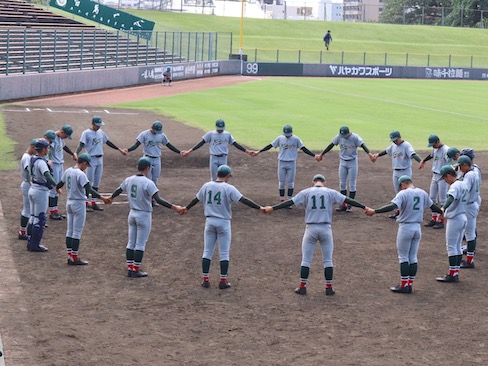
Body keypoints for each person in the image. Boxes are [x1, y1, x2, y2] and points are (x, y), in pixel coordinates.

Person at [262, 173, 366, 296]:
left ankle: (302, 287)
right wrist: (364, 207)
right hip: (326, 229)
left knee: (306, 260)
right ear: (324, 182)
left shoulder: (306, 192)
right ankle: (329, 288)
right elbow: (347, 200)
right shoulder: (330, 192)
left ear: (313, 182)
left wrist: (272, 208)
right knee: (328, 260)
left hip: (311, 229)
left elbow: (289, 202)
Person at [183, 165, 262, 289]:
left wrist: (186, 208)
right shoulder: (229, 188)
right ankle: (223, 281)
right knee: (224, 253)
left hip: (209, 221)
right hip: (223, 223)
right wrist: (260, 208)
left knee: (207, 251)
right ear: (227, 176)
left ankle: (205, 279)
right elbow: (243, 200)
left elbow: (196, 199)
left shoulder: (206, 185)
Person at [365, 176, 442, 294]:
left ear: (402, 185)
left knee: (403, 257)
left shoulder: (403, 194)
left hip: (406, 227)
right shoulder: (422, 192)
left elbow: (392, 206)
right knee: (413, 257)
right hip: (417, 228)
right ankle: (409, 284)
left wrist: (375, 211)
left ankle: (403, 285)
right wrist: (442, 212)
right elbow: (433, 207)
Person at [109, 157, 184, 277]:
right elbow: (158, 199)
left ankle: (130, 268)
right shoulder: (148, 183)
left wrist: (111, 198)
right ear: (148, 168)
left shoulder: (129, 179)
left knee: (131, 242)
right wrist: (175, 207)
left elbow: (118, 190)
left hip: (132, 213)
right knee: (140, 244)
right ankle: (136, 269)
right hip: (144, 215)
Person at [56, 153, 111, 265]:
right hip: (78, 204)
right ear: (84, 163)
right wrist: (102, 198)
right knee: (76, 232)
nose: (87, 167)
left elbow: (59, 184)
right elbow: (89, 189)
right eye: (87, 165)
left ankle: (70, 256)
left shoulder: (68, 171)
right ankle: (74, 258)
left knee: (70, 230)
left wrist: (58, 189)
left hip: (69, 202)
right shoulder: (81, 174)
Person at [315, 125, 375, 212]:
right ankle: (343, 205)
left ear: (348, 133)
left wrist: (369, 154)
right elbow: (331, 145)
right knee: (342, 183)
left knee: (352, 183)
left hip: (352, 162)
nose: (343, 137)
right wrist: (322, 154)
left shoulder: (355, 137)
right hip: (342, 162)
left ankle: (350, 205)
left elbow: (363, 145)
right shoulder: (339, 137)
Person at [251, 125, 316, 203]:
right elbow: (270, 145)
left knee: (291, 183)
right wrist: (259, 151)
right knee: (281, 183)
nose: (287, 136)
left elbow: (303, 149)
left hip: (292, 163)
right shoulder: (280, 138)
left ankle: (289, 201)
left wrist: (314, 155)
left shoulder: (296, 139)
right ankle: (282, 200)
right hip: (281, 162)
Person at [76, 115, 127, 212]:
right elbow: (81, 144)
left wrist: (119, 149)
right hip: (90, 159)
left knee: (96, 181)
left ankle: (94, 202)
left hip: (100, 159)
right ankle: (86, 203)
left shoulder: (101, 132)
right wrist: (76, 153)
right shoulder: (86, 133)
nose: (99, 127)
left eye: (100, 125)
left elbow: (108, 142)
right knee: (88, 181)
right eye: (97, 125)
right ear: (93, 124)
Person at [371, 130, 421, 219]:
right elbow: (386, 151)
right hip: (396, 172)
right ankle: (399, 212)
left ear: (399, 137)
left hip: (405, 171)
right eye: (393, 140)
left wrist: (420, 161)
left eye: (395, 139)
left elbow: (413, 154)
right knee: (398, 193)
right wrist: (377, 155)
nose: (394, 141)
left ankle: (407, 212)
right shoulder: (393, 145)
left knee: (406, 192)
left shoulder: (406, 145)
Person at [181, 119, 252, 181]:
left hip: (223, 158)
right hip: (213, 158)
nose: (220, 130)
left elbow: (235, 144)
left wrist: (247, 151)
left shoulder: (227, 134)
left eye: (221, 128)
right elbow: (201, 143)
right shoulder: (211, 134)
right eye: (219, 128)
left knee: (224, 177)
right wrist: (189, 151)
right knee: (214, 178)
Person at [123, 121, 182, 188]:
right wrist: (128, 150)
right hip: (147, 159)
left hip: (157, 159)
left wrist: (179, 152)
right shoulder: (144, 134)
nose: (157, 132)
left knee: (155, 178)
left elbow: (168, 145)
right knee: (147, 179)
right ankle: (146, 193)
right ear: (152, 128)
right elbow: (136, 144)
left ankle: (153, 195)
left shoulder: (161, 135)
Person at [436, 165, 468, 283]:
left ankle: (452, 274)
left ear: (448, 176)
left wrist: (443, 209)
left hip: (455, 219)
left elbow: (450, 198)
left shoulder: (455, 186)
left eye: (444, 178)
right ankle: (455, 272)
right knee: (457, 247)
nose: (445, 181)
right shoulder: (463, 184)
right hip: (463, 217)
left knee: (451, 247)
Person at [27, 138, 57, 252]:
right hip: (40, 192)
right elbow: (47, 175)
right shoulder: (41, 162)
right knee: (40, 219)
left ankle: (30, 242)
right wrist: (57, 186)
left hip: (33, 189)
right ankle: (35, 245)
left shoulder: (32, 159)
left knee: (33, 218)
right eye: (47, 148)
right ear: (44, 149)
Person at [418, 134, 449, 229]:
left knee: (443, 199)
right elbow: (431, 155)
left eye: (433, 144)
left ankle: (441, 220)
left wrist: (446, 175)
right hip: (435, 175)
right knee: (432, 198)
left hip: (443, 176)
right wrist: (423, 160)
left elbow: (450, 162)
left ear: (438, 141)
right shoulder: (435, 149)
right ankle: (434, 218)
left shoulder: (446, 150)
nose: (433, 146)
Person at [455, 156, 480, 268]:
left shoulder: (469, 175)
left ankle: (470, 261)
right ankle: (469, 259)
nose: (459, 168)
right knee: (469, 233)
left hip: (469, 206)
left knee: (469, 234)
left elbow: (464, 190)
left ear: (465, 165)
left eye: (460, 166)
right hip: (472, 204)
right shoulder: (474, 172)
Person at [47, 124, 77, 220]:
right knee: (54, 188)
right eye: (66, 136)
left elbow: (64, 147)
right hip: (54, 165)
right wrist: (50, 160)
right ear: (62, 132)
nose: (66, 138)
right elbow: (50, 150)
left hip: (60, 165)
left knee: (57, 187)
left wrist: (72, 154)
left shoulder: (60, 139)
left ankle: (55, 210)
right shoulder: (53, 137)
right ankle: (52, 212)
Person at [18, 139, 37, 240]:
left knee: (31, 209)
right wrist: (32, 182)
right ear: (33, 147)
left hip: (28, 185)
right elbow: (28, 171)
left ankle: (27, 230)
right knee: (27, 210)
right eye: (36, 149)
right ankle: (22, 232)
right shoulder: (26, 158)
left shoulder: (30, 156)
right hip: (27, 185)